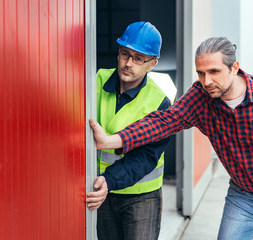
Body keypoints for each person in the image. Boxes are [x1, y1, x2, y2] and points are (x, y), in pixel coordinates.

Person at [89, 36, 253, 240]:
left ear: (234, 67)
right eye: (201, 72)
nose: (207, 80)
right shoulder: (201, 97)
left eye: (214, 72)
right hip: (243, 197)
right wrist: (113, 140)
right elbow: (164, 121)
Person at [85, 21, 171, 240]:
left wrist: (109, 180)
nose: (128, 63)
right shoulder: (95, 81)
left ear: (152, 64)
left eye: (138, 58)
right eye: (125, 54)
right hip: (102, 188)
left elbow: (146, 156)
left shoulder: (160, 102)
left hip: (141, 197)